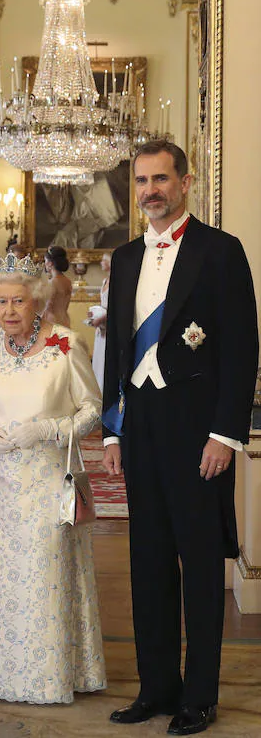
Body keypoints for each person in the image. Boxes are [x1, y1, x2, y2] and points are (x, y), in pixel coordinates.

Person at [102, 140, 258, 736]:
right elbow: (118, 348)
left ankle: (200, 697)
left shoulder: (221, 251)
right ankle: (157, 688)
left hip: (199, 432)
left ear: (185, 183)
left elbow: (243, 349)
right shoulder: (123, 258)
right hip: (139, 426)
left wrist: (225, 433)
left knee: (197, 568)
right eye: (141, 180)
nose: (150, 191)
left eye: (161, 179)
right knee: (147, 564)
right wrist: (113, 432)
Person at [0, 251, 106, 704]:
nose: (8, 312)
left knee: (43, 574)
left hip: (47, 479)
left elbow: (93, 411)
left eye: (18, 302)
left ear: (37, 301)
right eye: (0, 303)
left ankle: (48, 675)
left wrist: (49, 429)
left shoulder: (64, 344)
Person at [89, 252, 111, 392]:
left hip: (109, 324)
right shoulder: (104, 281)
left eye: (104, 260)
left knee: (105, 358)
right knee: (98, 357)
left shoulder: (117, 280)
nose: (101, 263)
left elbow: (115, 307)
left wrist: (102, 319)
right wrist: (93, 313)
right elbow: (102, 303)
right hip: (101, 325)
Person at [43, 245, 72, 327]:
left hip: (53, 322)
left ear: (50, 263)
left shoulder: (52, 282)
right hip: (65, 321)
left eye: (45, 261)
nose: (44, 263)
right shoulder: (68, 281)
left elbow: (48, 307)